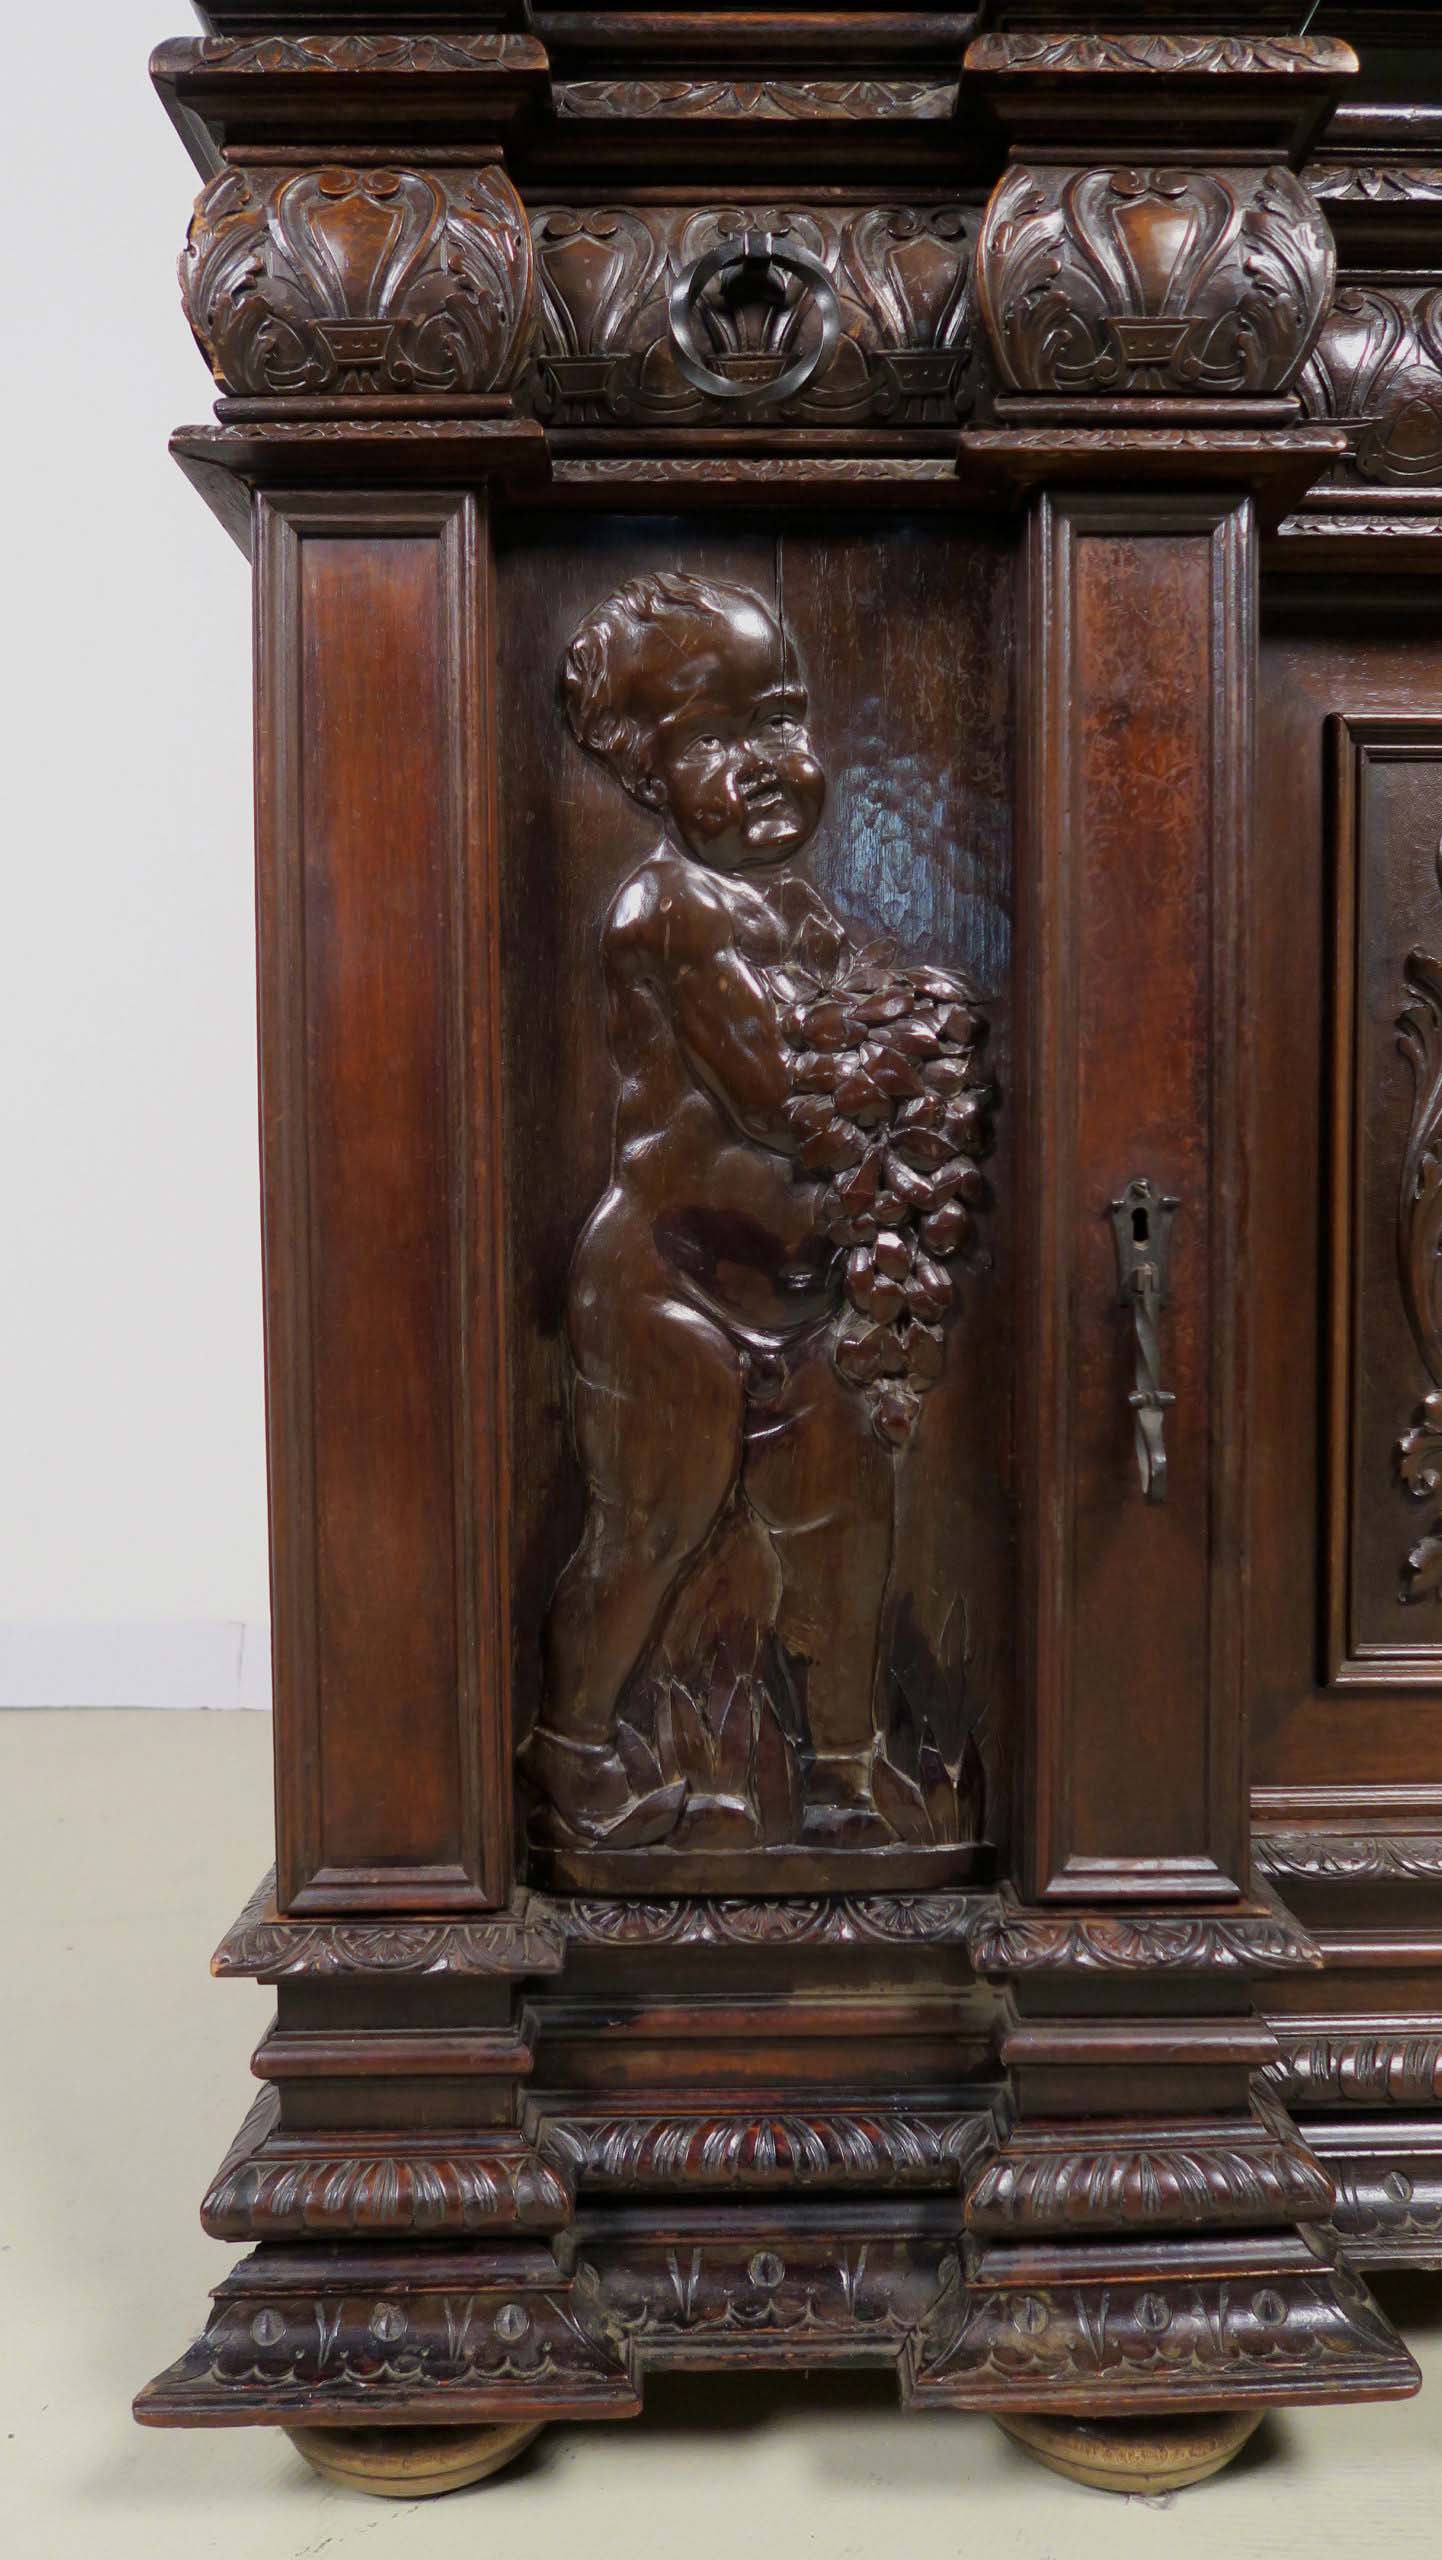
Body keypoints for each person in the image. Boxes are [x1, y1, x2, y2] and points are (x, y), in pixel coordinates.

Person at [533, 572, 898, 1850]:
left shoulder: (799, 911)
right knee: (648, 1530)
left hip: (801, 1294)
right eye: (712, 737)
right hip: (668, 1284)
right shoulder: (670, 910)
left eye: (781, 717)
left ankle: (845, 1767)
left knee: (846, 1526)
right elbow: (778, 1096)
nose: (764, 763)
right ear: (643, 770)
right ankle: (572, 1748)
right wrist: (904, 1058)